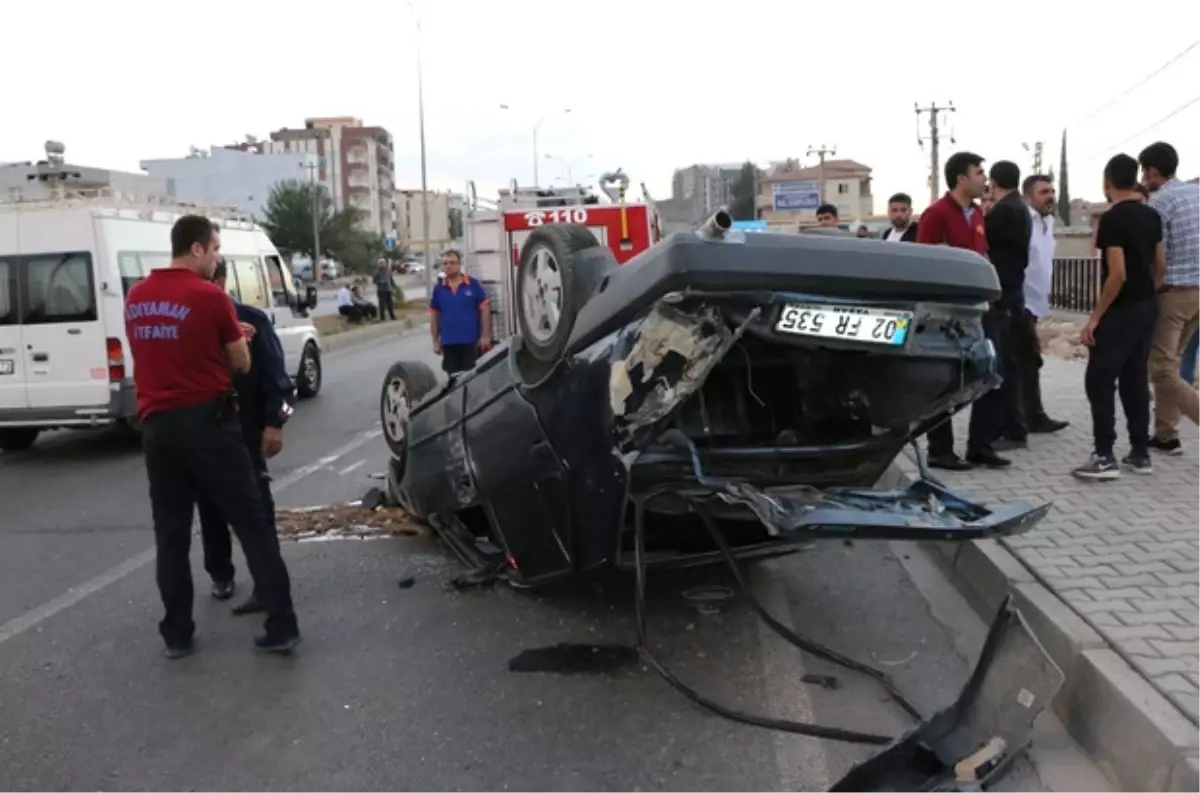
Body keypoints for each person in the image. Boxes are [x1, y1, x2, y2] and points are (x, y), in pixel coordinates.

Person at [126, 214, 300, 658]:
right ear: (198, 248)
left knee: (171, 534)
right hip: (209, 421)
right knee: (252, 523)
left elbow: (155, 353)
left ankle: (177, 633)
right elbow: (241, 364)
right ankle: (282, 624)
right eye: (216, 248)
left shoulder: (136, 297)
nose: (218, 257)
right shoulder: (208, 297)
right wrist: (232, 340)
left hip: (158, 427)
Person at [197, 257, 296, 616]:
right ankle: (220, 573)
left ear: (221, 282)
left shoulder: (251, 320)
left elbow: (280, 382)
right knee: (209, 506)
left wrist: (276, 423)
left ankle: (265, 586)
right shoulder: (191, 324)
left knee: (256, 511)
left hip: (247, 431)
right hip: (206, 433)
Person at [916, 151, 1011, 469]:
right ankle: (939, 450)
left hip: (982, 306)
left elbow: (981, 256)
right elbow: (926, 264)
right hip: (950, 311)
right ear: (961, 178)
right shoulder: (936, 214)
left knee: (991, 373)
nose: (985, 178)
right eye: (979, 172)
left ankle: (980, 445)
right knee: (946, 380)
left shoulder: (978, 213)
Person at [1071, 154, 1163, 479]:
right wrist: (1146, 294)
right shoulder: (1152, 217)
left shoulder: (1112, 220)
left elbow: (1117, 274)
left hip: (1120, 309)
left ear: (1107, 182)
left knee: (1099, 379)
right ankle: (1140, 453)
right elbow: (1160, 267)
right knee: (1135, 378)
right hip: (1147, 306)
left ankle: (1104, 455)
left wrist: (1095, 317)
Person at [1139, 142, 1200, 455]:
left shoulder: (1160, 202)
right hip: (1199, 296)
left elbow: (1156, 258)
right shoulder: (1195, 193)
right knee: (1171, 365)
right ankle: (1166, 434)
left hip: (1176, 294)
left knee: (1161, 369)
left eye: (1144, 171)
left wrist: (1150, 290)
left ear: (1151, 171)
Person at [984, 161, 1033, 451]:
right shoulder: (1019, 208)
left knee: (1004, 366)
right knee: (1010, 363)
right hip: (1014, 291)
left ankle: (1011, 429)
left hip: (1003, 294)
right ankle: (1014, 427)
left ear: (994, 181)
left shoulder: (1004, 211)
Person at [1016, 174, 1070, 436]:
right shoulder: (1024, 221)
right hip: (1021, 301)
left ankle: (1028, 416)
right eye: (1043, 192)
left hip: (1037, 302)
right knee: (1029, 359)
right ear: (1027, 196)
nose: (1050, 196)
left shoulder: (1048, 222)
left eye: (1051, 190)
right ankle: (1031, 417)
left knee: (1028, 360)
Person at [429, 249, 491, 374]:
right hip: (449, 343)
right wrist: (435, 341)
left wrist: (485, 336)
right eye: (445, 263)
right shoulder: (439, 288)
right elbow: (434, 315)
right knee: (453, 382)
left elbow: (485, 309)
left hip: (470, 342)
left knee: (472, 378)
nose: (448, 266)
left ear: (459, 265)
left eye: (452, 263)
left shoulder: (473, 285)